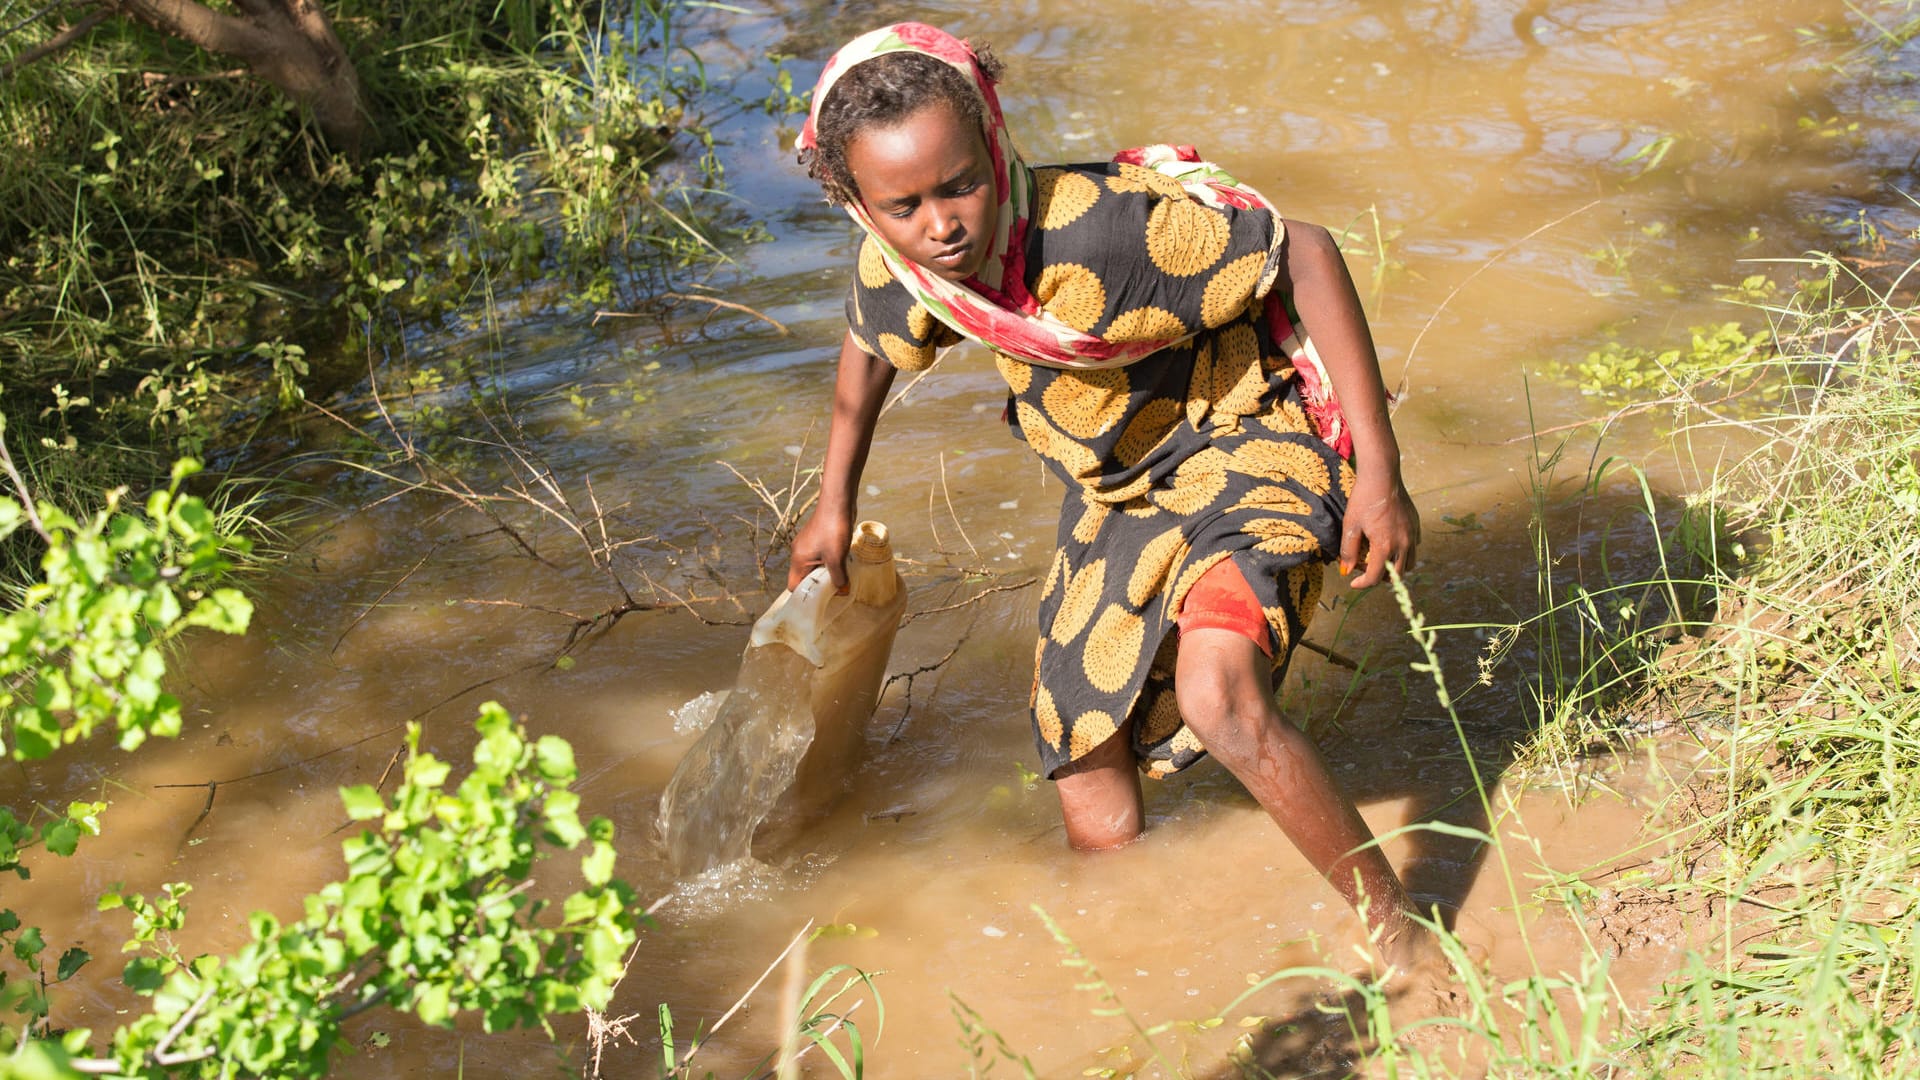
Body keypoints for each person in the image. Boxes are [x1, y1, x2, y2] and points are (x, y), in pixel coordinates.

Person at [786, 22, 1441, 983]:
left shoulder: (1106, 230)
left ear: (997, 148)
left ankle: (1406, 939)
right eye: (905, 205)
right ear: (858, 205)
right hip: (1123, 489)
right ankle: (1140, 966)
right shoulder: (911, 263)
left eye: (961, 183)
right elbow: (870, 344)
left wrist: (1381, 477)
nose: (943, 224)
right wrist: (831, 501)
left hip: (1248, 433)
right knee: (1081, 746)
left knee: (1220, 698)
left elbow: (1304, 249)